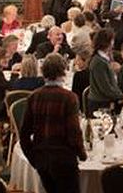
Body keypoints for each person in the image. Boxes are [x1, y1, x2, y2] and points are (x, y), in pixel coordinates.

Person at [21, 54, 87, 193]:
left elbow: (24, 133)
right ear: (63, 71)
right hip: (64, 159)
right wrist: (82, 155)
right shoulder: (69, 98)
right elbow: (74, 132)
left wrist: (34, 157)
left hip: (42, 158)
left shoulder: (34, 96)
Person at [87, 28, 123, 115]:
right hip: (99, 105)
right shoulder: (98, 62)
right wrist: (122, 96)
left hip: (105, 101)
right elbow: (105, 88)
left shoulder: (103, 58)